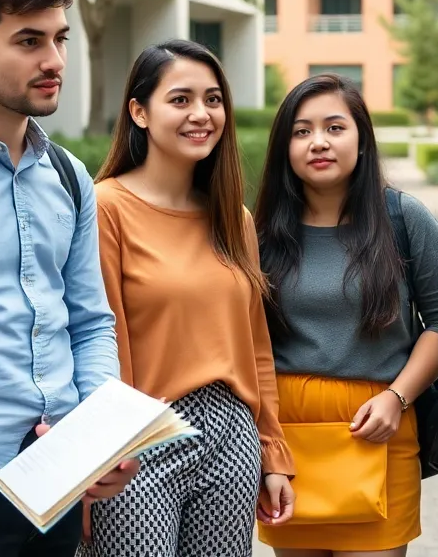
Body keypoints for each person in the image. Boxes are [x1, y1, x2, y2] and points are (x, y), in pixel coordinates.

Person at [0, 0, 132, 555]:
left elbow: (90, 320)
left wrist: (101, 439)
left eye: (60, 39)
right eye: (28, 41)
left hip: (58, 476)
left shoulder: (70, 177)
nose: (53, 61)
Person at [82, 39, 294, 557]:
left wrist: (272, 452)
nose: (202, 114)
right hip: (138, 437)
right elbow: (102, 337)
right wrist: (100, 453)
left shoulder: (233, 217)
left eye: (213, 99)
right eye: (180, 99)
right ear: (139, 111)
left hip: (231, 436)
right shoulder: (106, 206)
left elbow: (256, 345)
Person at [253, 74, 438, 556]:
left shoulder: (404, 218)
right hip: (287, 440)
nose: (318, 142)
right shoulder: (258, 231)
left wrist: (397, 397)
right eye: (301, 131)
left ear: (361, 139)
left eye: (334, 127)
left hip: (377, 429)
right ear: (285, 148)